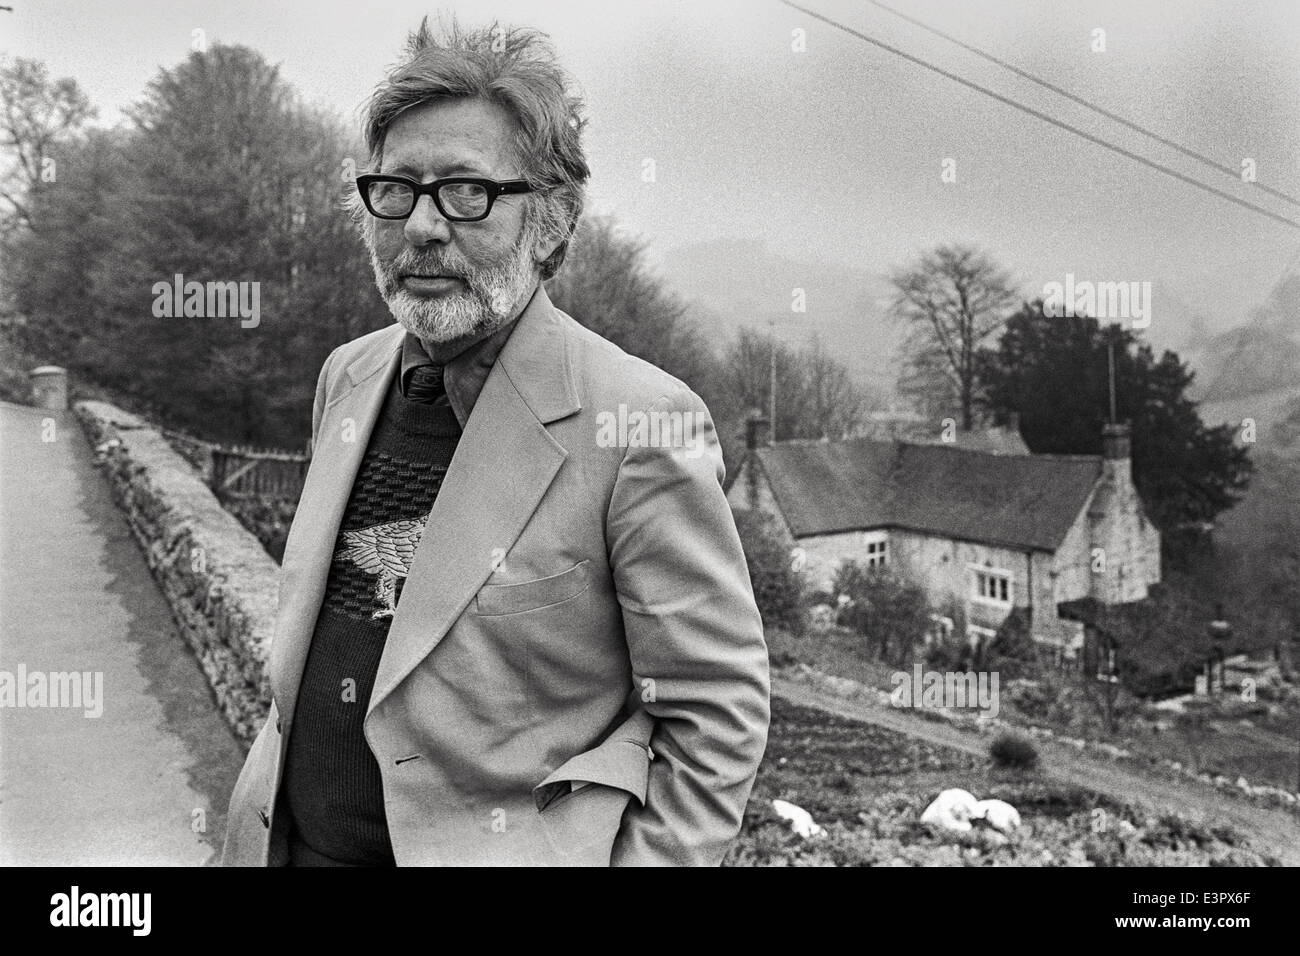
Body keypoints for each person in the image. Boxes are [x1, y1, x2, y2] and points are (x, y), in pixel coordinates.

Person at [222, 17, 770, 867]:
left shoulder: (640, 423)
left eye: (467, 193)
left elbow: (716, 713)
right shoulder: (347, 376)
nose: (422, 226)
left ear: (551, 221)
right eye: (396, 189)